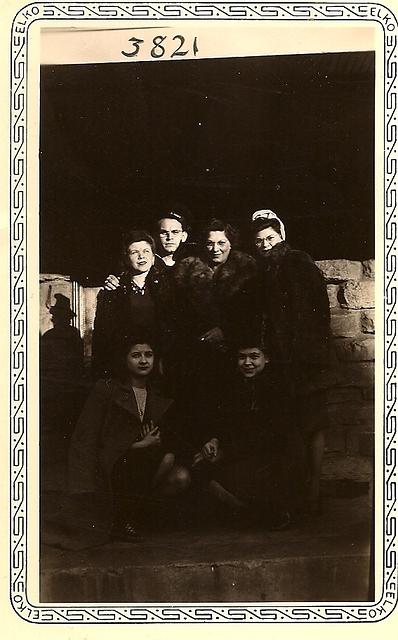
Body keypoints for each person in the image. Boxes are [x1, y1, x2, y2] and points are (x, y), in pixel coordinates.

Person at [68, 336, 190, 543]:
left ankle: (135, 516)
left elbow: (170, 436)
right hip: (112, 464)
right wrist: (140, 444)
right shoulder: (106, 389)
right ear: (124, 359)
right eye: (136, 355)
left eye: (148, 355)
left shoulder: (157, 393)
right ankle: (123, 519)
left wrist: (156, 443)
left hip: (147, 464)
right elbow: (88, 438)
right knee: (147, 463)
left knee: (177, 470)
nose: (143, 361)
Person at [248, 209, 331, 514]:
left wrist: (302, 356)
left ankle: (314, 489)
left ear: (281, 237)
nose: (265, 244)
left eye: (270, 238)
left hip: (304, 358)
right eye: (259, 241)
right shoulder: (266, 269)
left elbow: (310, 313)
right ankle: (301, 489)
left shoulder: (295, 260)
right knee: (294, 424)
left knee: (312, 423)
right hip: (284, 360)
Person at [193, 338, 305, 529]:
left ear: (266, 359)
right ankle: (246, 512)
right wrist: (214, 441)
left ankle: (259, 514)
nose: (247, 363)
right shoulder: (230, 386)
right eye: (241, 357)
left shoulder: (277, 388)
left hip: (269, 456)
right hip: (239, 453)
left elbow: (269, 435)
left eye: (254, 357)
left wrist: (225, 454)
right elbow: (223, 423)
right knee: (198, 466)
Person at [172, 218, 257, 390]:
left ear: (231, 243)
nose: (215, 249)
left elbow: (253, 310)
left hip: (237, 349)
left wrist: (226, 330)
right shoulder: (187, 269)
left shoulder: (246, 268)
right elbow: (177, 311)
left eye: (221, 243)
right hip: (198, 351)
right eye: (210, 243)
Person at [91, 230, 173, 379]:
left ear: (154, 257)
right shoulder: (114, 290)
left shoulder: (168, 287)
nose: (141, 256)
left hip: (159, 359)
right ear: (127, 259)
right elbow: (104, 335)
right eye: (134, 252)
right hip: (124, 361)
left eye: (146, 251)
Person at [104, 209, 190, 291]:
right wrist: (113, 283)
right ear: (155, 235)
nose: (170, 237)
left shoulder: (190, 264)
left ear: (183, 236)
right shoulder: (143, 263)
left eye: (175, 232)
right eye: (163, 233)